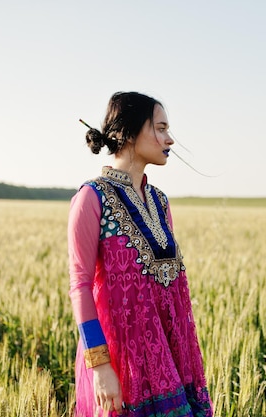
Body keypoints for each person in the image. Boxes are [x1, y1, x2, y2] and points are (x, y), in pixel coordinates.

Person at [68, 92, 213, 416]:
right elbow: (80, 284)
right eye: (160, 128)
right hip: (125, 366)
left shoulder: (160, 201)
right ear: (130, 133)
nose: (170, 139)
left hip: (174, 360)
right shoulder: (91, 198)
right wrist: (101, 367)